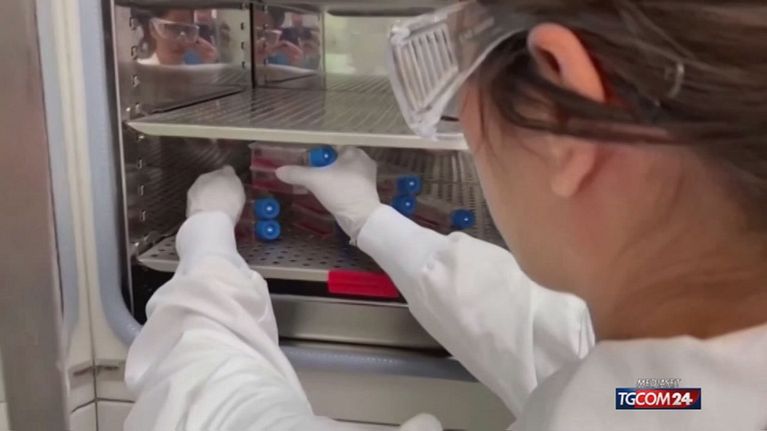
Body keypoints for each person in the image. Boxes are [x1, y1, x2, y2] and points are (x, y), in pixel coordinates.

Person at [125, 1, 767, 430]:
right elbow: (590, 365)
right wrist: (375, 223)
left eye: (459, 79)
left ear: (561, 117)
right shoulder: (682, 394)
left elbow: (215, 411)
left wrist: (207, 244)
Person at [138, 8, 218, 66]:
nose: (181, 40)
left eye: (187, 30)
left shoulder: (195, 75)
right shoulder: (139, 74)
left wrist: (210, 66)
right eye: (173, 28)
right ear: (153, 28)